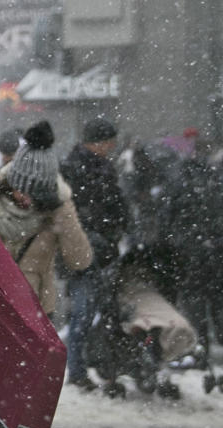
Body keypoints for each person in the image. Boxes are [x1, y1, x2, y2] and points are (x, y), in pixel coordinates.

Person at [0, 120, 93, 428]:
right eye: (20, 190)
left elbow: (81, 261)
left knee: (36, 397)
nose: (26, 199)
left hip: (36, 316)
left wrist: (64, 216)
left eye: (36, 194)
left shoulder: (56, 207)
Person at [60, 117, 131, 391]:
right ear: (98, 142)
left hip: (94, 248)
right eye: (109, 142)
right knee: (84, 312)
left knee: (91, 311)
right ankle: (79, 369)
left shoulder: (87, 167)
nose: (111, 147)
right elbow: (88, 211)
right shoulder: (83, 170)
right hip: (87, 250)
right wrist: (106, 231)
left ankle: (93, 366)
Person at [159, 139, 223, 358]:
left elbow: (166, 218)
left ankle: (199, 343)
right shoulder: (220, 181)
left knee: (194, 297)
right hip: (219, 249)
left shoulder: (178, 184)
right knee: (221, 296)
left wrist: (170, 245)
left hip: (190, 251)